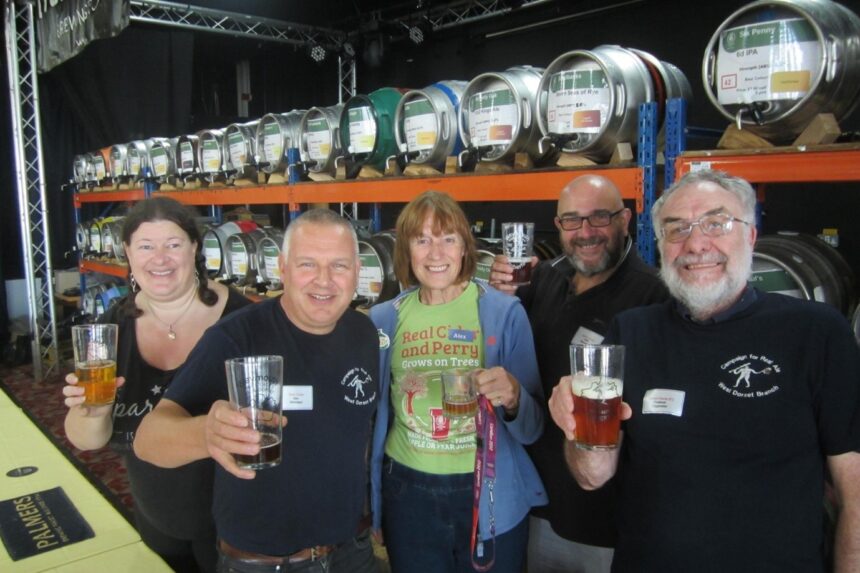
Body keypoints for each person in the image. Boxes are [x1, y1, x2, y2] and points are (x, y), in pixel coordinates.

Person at [549, 169, 860, 572]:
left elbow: (854, 493)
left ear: (750, 236)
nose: (696, 244)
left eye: (716, 224)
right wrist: (579, 427)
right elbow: (593, 475)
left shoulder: (815, 332)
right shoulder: (633, 330)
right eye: (676, 229)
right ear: (661, 246)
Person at [133, 208, 380, 573]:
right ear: (282, 268)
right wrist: (206, 434)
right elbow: (147, 440)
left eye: (339, 266)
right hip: (264, 563)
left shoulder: (364, 334)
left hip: (351, 552)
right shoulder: (234, 337)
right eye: (308, 265)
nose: (324, 281)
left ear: (357, 271)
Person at [489, 174, 669, 573]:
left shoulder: (653, 297)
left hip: (605, 520)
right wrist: (501, 296)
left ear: (625, 220)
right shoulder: (547, 278)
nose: (585, 232)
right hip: (536, 502)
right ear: (558, 227)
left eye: (598, 218)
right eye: (571, 220)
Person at [63, 196, 251, 572]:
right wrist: (93, 411)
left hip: (235, 524)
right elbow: (87, 440)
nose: (160, 258)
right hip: (156, 518)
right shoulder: (112, 327)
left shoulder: (244, 321)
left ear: (194, 248)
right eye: (146, 246)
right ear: (128, 254)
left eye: (173, 244)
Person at [369, 190, 545, 573]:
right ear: (406, 251)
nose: (435, 254)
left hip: (489, 490)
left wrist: (514, 397)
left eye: (448, 239)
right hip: (407, 493)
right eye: (422, 240)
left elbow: (534, 428)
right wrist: (375, 503)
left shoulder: (503, 312)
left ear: (465, 247)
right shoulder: (382, 319)